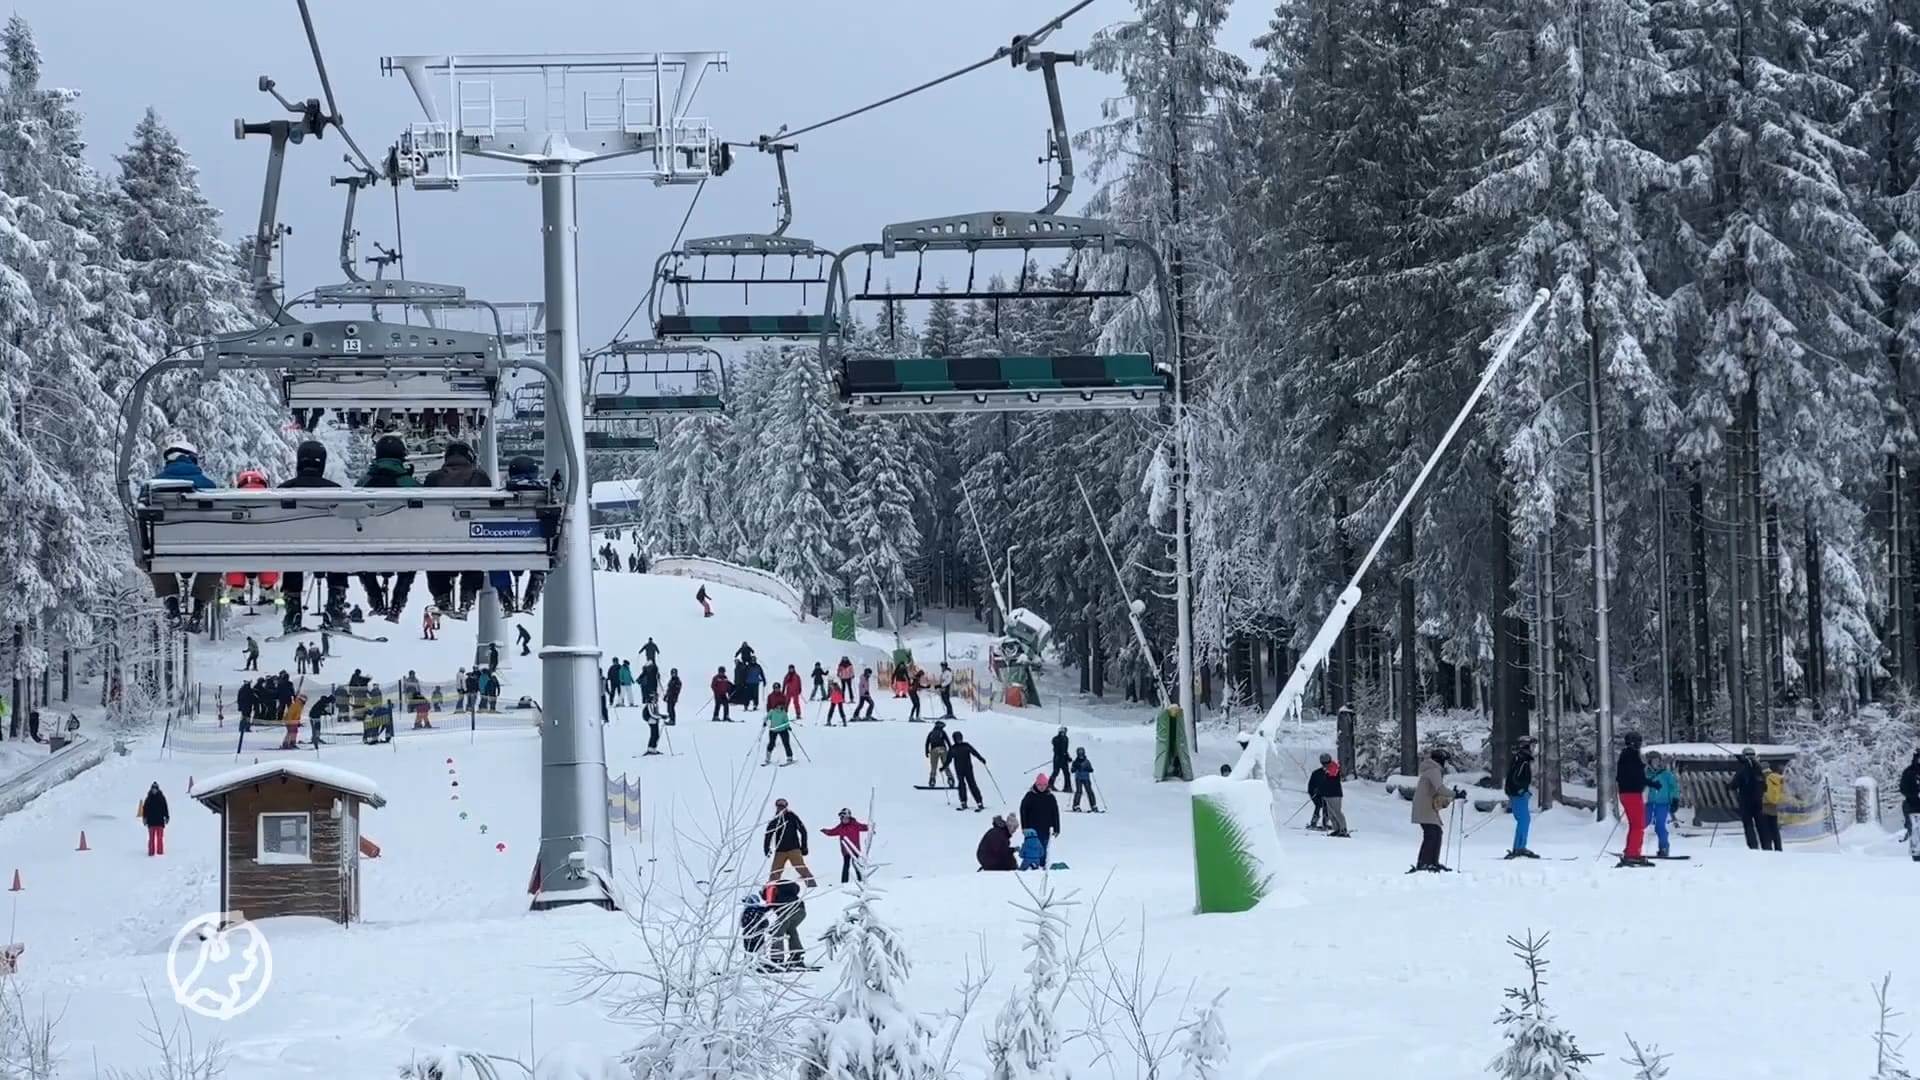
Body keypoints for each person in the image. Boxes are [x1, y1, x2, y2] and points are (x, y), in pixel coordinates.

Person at [277, 440, 351, 632]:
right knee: (338, 553)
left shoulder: (283, 489)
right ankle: (335, 607)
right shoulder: (335, 490)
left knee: (291, 554)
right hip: (328, 548)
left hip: (293, 548)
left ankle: (293, 611)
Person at [146, 438, 219, 629]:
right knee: (216, 559)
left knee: (153, 557)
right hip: (202, 547)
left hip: (166, 547)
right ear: (192, 460)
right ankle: (199, 607)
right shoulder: (209, 485)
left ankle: (171, 603)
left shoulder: (153, 486)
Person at [356, 435, 419, 620]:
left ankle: (374, 595)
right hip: (402, 540)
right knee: (411, 558)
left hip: (368, 542)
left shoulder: (364, 482)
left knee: (359, 556)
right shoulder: (407, 483)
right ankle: (398, 600)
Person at [1411, 748, 1454, 872]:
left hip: (1425, 806)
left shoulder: (1432, 769)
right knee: (1432, 834)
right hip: (1425, 807)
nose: (1446, 764)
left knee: (1435, 832)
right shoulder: (1434, 770)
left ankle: (1431, 862)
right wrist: (1455, 794)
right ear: (1441, 760)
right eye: (1446, 761)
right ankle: (1426, 863)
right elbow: (1440, 788)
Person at [1615, 732, 1651, 868]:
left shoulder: (1625, 755)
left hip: (1627, 793)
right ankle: (1633, 853)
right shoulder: (1632, 756)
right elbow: (1636, 774)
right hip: (1632, 794)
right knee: (1638, 825)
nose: (1640, 745)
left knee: (1634, 824)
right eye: (1639, 742)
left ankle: (1630, 850)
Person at [763, 798, 815, 886]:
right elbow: (768, 834)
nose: (781, 808)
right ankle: (770, 891)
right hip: (780, 850)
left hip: (793, 849)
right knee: (775, 873)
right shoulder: (775, 820)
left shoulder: (792, 816)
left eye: (783, 806)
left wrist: (804, 847)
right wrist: (766, 848)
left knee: (801, 868)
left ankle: (812, 887)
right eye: (779, 806)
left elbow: (803, 831)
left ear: (786, 806)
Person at [1504, 736, 1537, 859]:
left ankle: (1520, 846)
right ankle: (1519, 848)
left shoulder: (1522, 759)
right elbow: (1514, 778)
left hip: (1518, 794)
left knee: (1524, 820)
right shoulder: (1522, 760)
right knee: (1524, 820)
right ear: (1525, 746)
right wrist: (1522, 790)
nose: (1533, 748)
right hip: (1517, 794)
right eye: (1532, 746)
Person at [1729, 746, 1767, 850]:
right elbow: (1765, 786)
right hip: (1758, 802)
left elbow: (1733, 785)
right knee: (1761, 825)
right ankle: (1766, 846)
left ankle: (1753, 846)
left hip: (1746, 802)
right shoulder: (1759, 769)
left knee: (1748, 825)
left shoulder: (1743, 769)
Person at [1018, 775, 1061, 864]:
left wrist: (1056, 828)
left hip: (1045, 828)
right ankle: (1031, 864)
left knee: (1043, 848)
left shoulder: (1050, 797)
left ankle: (1042, 864)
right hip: (1031, 829)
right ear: (1036, 784)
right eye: (1040, 785)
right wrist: (1024, 827)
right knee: (1031, 848)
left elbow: (1055, 813)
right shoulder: (1030, 796)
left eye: (1044, 785)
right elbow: (1023, 812)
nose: (1042, 787)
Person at [820, 808, 871, 883]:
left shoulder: (855, 825)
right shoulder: (840, 827)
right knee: (846, 865)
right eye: (841, 818)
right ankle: (844, 882)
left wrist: (871, 829)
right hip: (846, 850)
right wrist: (826, 831)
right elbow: (832, 832)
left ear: (848, 817)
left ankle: (860, 879)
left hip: (855, 849)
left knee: (856, 864)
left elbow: (865, 827)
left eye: (844, 817)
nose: (843, 819)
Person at [1645, 751, 1678, 858]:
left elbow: (1674, 787)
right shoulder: (1646, 774)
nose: (1656, 763)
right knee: (1643, 823)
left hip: (1662, 804)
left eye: (1657, 760)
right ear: (1649, 762)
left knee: (1660, 826)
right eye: (1653, 761)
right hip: (1650, 803)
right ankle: (1634, 847)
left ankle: (1664, 848)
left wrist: (1675, 799)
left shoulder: (1666, 774)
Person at [948, 730, 987, 811]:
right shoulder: (955, 748)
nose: (959, 740)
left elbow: (974, 752)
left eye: (960, 738)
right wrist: (943, 767)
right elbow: (948, 759)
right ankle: (965, 802)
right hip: (961, 770)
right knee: (963, 785)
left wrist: (981, 759)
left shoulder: (960, 747)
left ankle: (978, 802)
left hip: (966, 769)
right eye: (958, 739)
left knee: (971, 784)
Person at [763, 686, 794, 766]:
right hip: (773, 730)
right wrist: (765, 722)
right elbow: (767, 717)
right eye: (779, 706)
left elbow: (786, 721)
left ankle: (789, 757)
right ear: (776, 706)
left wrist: (788, 726)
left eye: (782, 706)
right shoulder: (772, 711)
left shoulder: (783, 713)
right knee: (771, 744)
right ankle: (767, 758)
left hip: (783, 730)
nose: (780, 707)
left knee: (786, 743)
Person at [1759, 762, 1786, 851]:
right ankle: (1778, 848)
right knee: (1775, 830)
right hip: (1775, 807)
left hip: (1765, 807)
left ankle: (1768, 849)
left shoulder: (1763, 778)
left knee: (1766, 831)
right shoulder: (1778, 777)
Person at [139, 781, 170, 857]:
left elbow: (165, 808)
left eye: (155, 789)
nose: (154, 790)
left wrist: (167, 817)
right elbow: (145, 809)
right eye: (153, 789)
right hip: (151, 822)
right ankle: (151, 852)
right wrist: (144, 818)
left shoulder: (161, 798)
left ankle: (160, 853)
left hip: (160, 822)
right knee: (151, 838)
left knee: (160, 838)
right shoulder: (148, 798)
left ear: (157, 789)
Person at [1900, 749, 1920, 853]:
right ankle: (1916, 849)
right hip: (1914, 807)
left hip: (1913, 806)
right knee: (1915, 827)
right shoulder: (1910, 772)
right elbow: (1904, 788)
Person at [1306, 754, 1332, 830]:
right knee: (1318, 805)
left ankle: (1325, 822)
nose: (1326, 765)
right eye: (1325, 764)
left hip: (1326, 794)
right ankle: (1314, 822)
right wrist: (1315, 791)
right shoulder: (1316, 773)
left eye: (1328, 763)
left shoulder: (1331, 773)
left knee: (1326, 806)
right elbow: (1311, 786)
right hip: (1316, 794)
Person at [925, 720, 954, 787]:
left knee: (933, 766)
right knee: (945, 765)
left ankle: (932, 780)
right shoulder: (942, 732)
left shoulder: (931, 733)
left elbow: (927, 743)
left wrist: (926, 751)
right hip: (942, 749)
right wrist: (951, 750)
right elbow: (947, 741)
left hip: (933, 750)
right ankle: (950, 779)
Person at [1070, 748, 1099, 813]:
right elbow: (1072, 770)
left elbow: (1091, 769)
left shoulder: (1087, 761)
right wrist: (1075, 768)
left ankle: (1093, 805)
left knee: (1089, 791)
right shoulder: (1076, 762)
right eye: (1079, 753)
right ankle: (1076, 806)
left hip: (1086, 778)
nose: (1081, 755)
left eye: (1081, 753)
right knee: (1079, 791)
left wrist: (1089, 769)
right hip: (1078, 778)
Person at [1048, 726, 1073, 793]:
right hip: (1058, 758)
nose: (1063, 733)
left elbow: (1065, 750)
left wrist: (1067, 757)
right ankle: (1050, 785)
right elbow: (1056, 748)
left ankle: (1067, 787)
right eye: (1062, 732)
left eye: (1064, 732)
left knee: (1066, 773)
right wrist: (1060, 755)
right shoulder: (1056, 739)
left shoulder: (1066, 738)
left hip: (1064, 759)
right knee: (1056, 772)